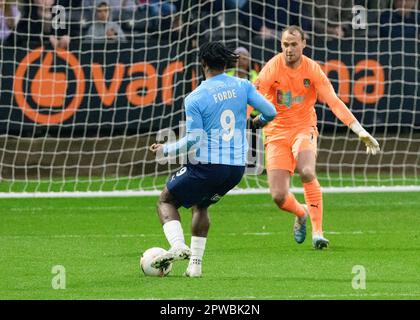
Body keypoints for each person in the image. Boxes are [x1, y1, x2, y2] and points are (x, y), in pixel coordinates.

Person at [149, 41, 277, 277]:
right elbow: (271, 112)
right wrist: (258, 122)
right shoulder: (243, 85)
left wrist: (165, 150)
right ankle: (195, 266)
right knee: (201, 204)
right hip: (237, 169)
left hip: (207, 166)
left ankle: (178, 246)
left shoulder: (195, 97)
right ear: (225, 63)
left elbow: (192, 140)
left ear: (203, 64)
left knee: (166, 200)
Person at [254, 25, 380, 249]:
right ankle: (301, 212)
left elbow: (333, 101)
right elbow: (252, 98)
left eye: (294, 44)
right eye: (285, 44)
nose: (289, 49)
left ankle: (318, 232)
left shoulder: (312, 70)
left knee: (307, 170)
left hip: (304, 128)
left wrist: (358, 130)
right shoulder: (271, 68)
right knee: (278, 196)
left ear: (304, 43)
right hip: (275, 133)